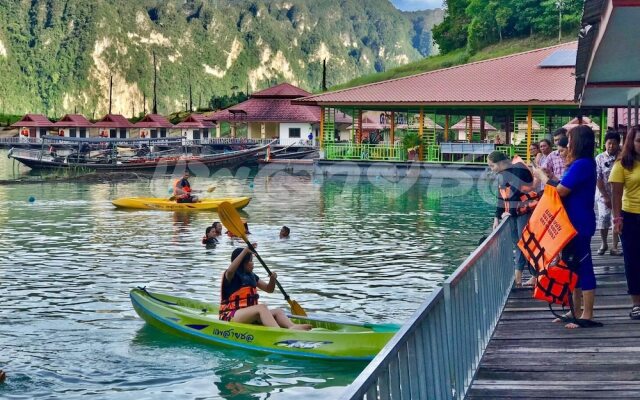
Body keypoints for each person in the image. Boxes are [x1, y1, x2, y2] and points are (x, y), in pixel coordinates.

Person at [540, 125, 599, 329]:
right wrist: (552, 178)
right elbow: (565, 185)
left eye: (570, 140)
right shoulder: (582, 164)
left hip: (578, 222)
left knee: (583, 266)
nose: (567, 143)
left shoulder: (582, 164)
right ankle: (575, 308)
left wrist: (543, 179)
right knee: (571, 265)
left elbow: (562, 191)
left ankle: (587, 313)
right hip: (571, 221)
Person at [219, 246, 312, 330]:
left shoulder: (252, 276)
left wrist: (272, 280)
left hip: (248, 315)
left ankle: (292, 326)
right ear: (242, 262)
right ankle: (278, 332)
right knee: (262, 307)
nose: (253, 263)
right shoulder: (230, 275)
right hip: (230, 315)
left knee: (278, 311)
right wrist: (245, 250)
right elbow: (231, 269)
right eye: (250, 260)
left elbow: (269, 289)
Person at [488, 151, 535, 288]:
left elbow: (516, 193)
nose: (492, 169)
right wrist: (497, 217)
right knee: (518, 243)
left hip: (524, 212)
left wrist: (509, 212)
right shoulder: (502, 175)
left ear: (501, 163)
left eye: (492, 166)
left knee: (524, 243)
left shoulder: (518, 169)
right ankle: (529, 276)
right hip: (514, 213)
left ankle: (521, 277)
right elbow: (501, 197)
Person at [610, 125, 640, 320]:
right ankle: (637, 303)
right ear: (631, 142)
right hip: (631, 217)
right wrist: (617, 219)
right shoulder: (623, 164)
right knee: (633, 260)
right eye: (639, 141)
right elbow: (616, 193)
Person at [595, 131, 622, 256]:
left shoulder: (622, 157)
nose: (611, 146)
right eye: (609, 143)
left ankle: (615, 246)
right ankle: (604, 243)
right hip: (603, 193)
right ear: (605, 144)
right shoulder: (599, 158)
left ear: (618, 144)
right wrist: (605, 196)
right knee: (603, 218)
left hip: (619, 194)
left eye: (614, 143)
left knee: (616, 218)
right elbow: (598, 178)